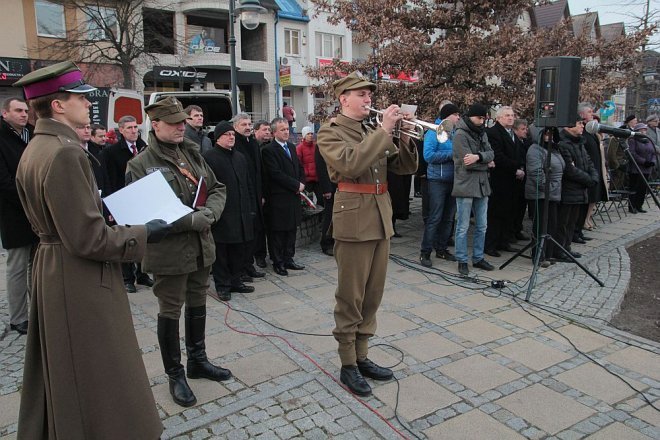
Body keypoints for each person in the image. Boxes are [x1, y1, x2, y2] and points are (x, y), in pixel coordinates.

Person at [13, 60, 167, 439]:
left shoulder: (38, 146)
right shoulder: (64, 153)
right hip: (75, 274)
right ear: (58, 105)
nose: (88, 103)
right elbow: (87, 239)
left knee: (68, 367)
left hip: (54, 265)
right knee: (98, 370)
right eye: (79, 97)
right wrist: (143, 233)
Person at [317, 71, 418, 397]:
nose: (368, 99)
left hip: (380, 217)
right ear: (343, 98)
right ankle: (348, 363)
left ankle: (362, 356)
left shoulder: (371, 129)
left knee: (373, 294)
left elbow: (404, 168)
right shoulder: (330, 131)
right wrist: (385, 129)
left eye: (369, 94)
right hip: (353, 220)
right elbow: (350, 164)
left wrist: (402, 134)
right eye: (361, 94)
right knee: (351, 296)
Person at [126, 96, 230, 408]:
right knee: (170, 310)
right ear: (154, 124)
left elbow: (217, 188)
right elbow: (148, 212)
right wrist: (195, 219)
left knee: (198, 302)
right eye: (173, 123)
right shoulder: (140, 165)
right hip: (169, 252)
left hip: (200, 246)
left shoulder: (191, 152)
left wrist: (209, 214)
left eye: (182, 121)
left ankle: (198, 361)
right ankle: (175, 373)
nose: (180, 127)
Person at [203, 121, 256, 300]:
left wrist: (251, 207)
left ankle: (236, 281)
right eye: (227, 134)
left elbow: (248, 183)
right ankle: (223, 285)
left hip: (242, 211)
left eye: (233, 134)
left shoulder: (240, 157)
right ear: (218, 138)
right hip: (223, 212)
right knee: (222, 253)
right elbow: (207, 187)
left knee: (239, 250)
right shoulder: (209, 157)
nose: (232, 137)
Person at [0, 97, 37, 335]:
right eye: (18, 110)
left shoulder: (33, 134)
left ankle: (38, 311)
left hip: (37, 210)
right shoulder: (2, 138)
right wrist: (29, 197)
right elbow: (3, 182)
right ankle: (18, 318)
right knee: (17, 266)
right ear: (5, 113)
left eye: (25, 110)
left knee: (37, 263)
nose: (24, 114)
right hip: (13, 211)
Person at [103, 115, 153, 292]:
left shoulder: (144, 148)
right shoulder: (111, 152)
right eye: (130, 128)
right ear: (121, 130)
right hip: (121, 200)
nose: (134, 131)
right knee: (127, 239)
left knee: (142, 236)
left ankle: (142, 274)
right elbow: (107, 180)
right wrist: (109, 206)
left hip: (141, 199)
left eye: (135, 128)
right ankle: (127, 277)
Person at [452, 103, 496, 276]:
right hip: (466, 184)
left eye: (484, 118)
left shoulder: (482, 133)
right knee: (462, 226)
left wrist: (479, 157)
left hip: (482, 185)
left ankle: (478, 258)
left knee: (482, 225)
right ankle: (462, 259)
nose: (482, 120)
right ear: (470, 116)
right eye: (479, 118)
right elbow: (466, 164)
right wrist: (485, 163)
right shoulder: (460, 135)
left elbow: (491, 153)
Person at [261, 117, 306, 275]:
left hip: (293, 196)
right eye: (282, 130)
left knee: (291, 230)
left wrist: (302, 183)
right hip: (278, 198)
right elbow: (275, 174)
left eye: (287, 129)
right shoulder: (268, 150)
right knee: (278, 232)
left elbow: (300, 168)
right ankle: (278, 261)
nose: (286, 132)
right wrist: (295, 185)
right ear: (274, 132)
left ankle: (289, 258)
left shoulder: (292, 147)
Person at [419, 103, 460, 267]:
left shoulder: (455, 132)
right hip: (437, 180)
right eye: (456, 114)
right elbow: (428, 155)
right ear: (448, 116)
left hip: (453, 179)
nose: (458, 118)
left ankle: (441, 249)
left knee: (449, 218)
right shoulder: (434, 131)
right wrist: (451, 154)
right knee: (435, 217)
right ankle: (425, 252)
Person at [555, 118, 598, 261]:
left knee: (572, 222)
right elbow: (570, 169)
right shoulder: (563, 144)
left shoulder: (579, 142)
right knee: (563, 222)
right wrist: (589, 179)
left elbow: (589, 162)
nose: (582, 126)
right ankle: (560, 250)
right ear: (568, 127)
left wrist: (593, 176)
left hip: (580, 189)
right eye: (579, 123)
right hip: (568, 189)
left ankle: (567, 248)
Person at [231, 113, 266, 280]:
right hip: (242, 195)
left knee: (254, 231)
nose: (248, 127)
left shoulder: (252, 142)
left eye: (249, 124)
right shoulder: (234, 143)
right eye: (244, 124)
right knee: (244, 233)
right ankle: (241, 268)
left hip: (256, 193)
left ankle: (249, 264)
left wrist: (261, 194)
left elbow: (259, 171)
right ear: (236, 126)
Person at [525, 129, 565, 267]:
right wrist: (548, 187)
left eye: (552, 134)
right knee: (540, 226)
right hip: (541, 194)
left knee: (551, 225)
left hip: (553, 193)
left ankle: (547, 254)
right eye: (547, 134)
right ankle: (538, 255)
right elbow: (535, 172)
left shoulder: (554, 149)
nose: (550, 137)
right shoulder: (535, 149)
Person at [485, 106, 521, 256]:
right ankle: (491, 245)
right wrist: (516, 168)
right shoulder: (493, 133)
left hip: (511, 180)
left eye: (512, 115)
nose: (511, 118)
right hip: (499, 179)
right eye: (507, 115)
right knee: (495, 214)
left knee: (508, 211)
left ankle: (503, 241)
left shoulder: (512, 133)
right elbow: (497, 156)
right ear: (498, 118)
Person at [578, 104, 607, 234]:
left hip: (597, 166)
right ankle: (583, 221)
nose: (592, 114)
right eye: (589, 112)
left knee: (595, 196)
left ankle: (588, 218)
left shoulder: (592, 130)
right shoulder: (581, 131)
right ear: (582, 115)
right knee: (588, 196)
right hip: (588, 169)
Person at [626, 122, 656, 213]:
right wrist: (644, 161)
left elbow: (653, 152)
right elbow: (632, 153)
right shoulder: (633, 140)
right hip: (636, 169)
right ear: (637, 131)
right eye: (642, 129)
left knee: (643, 189)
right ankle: (632, 206)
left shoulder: (648, 140)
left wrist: (652, 162)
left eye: (645, 129)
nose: (644, 131)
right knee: (634, 188)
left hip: (647, 169)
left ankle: (639, 205)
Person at [315, 140, 336, 256]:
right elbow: (321, 167)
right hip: (330, 186)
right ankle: (326, 242)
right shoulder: (323, 141)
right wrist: (326, 189)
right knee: (329, 215)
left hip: (341, 185)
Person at [512, 118, 531, 241]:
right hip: (516, 177)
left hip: (525, 177)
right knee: (514, 207)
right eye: (522, 129)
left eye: (526, 129)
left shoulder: (526, 142)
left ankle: (518, 228)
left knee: (521, 207)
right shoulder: (514, 143)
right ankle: (512, 230)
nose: (525, 131)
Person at [296, 126, 323, 205]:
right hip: (307, 180)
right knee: (308, 202)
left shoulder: (316, 147)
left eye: (311, 133)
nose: (311, 135)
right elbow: (298, 164)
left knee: (321, 200)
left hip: (317, 179)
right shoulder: (299, 148)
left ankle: (320, 216)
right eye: (308, 134)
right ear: (304, 135)